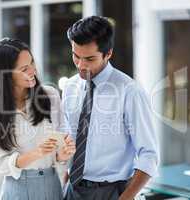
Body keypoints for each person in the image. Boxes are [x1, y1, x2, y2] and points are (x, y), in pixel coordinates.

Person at [62, 16, 159, 200]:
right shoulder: (70, 87)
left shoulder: (129, 91)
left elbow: (149, 154)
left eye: (89, 58)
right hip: (72, 190)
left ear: (108, 54)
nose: (81, 65)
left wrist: (126, 197)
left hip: (111, 192)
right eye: (76, 56)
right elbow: (70, 139)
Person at [0, 38, 76, 200]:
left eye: (32, 63)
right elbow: (1, 164)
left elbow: (60, 147)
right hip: (17, 188)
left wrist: (62, 155)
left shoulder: (50, 95)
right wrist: (37, 153)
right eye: (24, 69)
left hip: (51, 184)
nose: (33, 71)